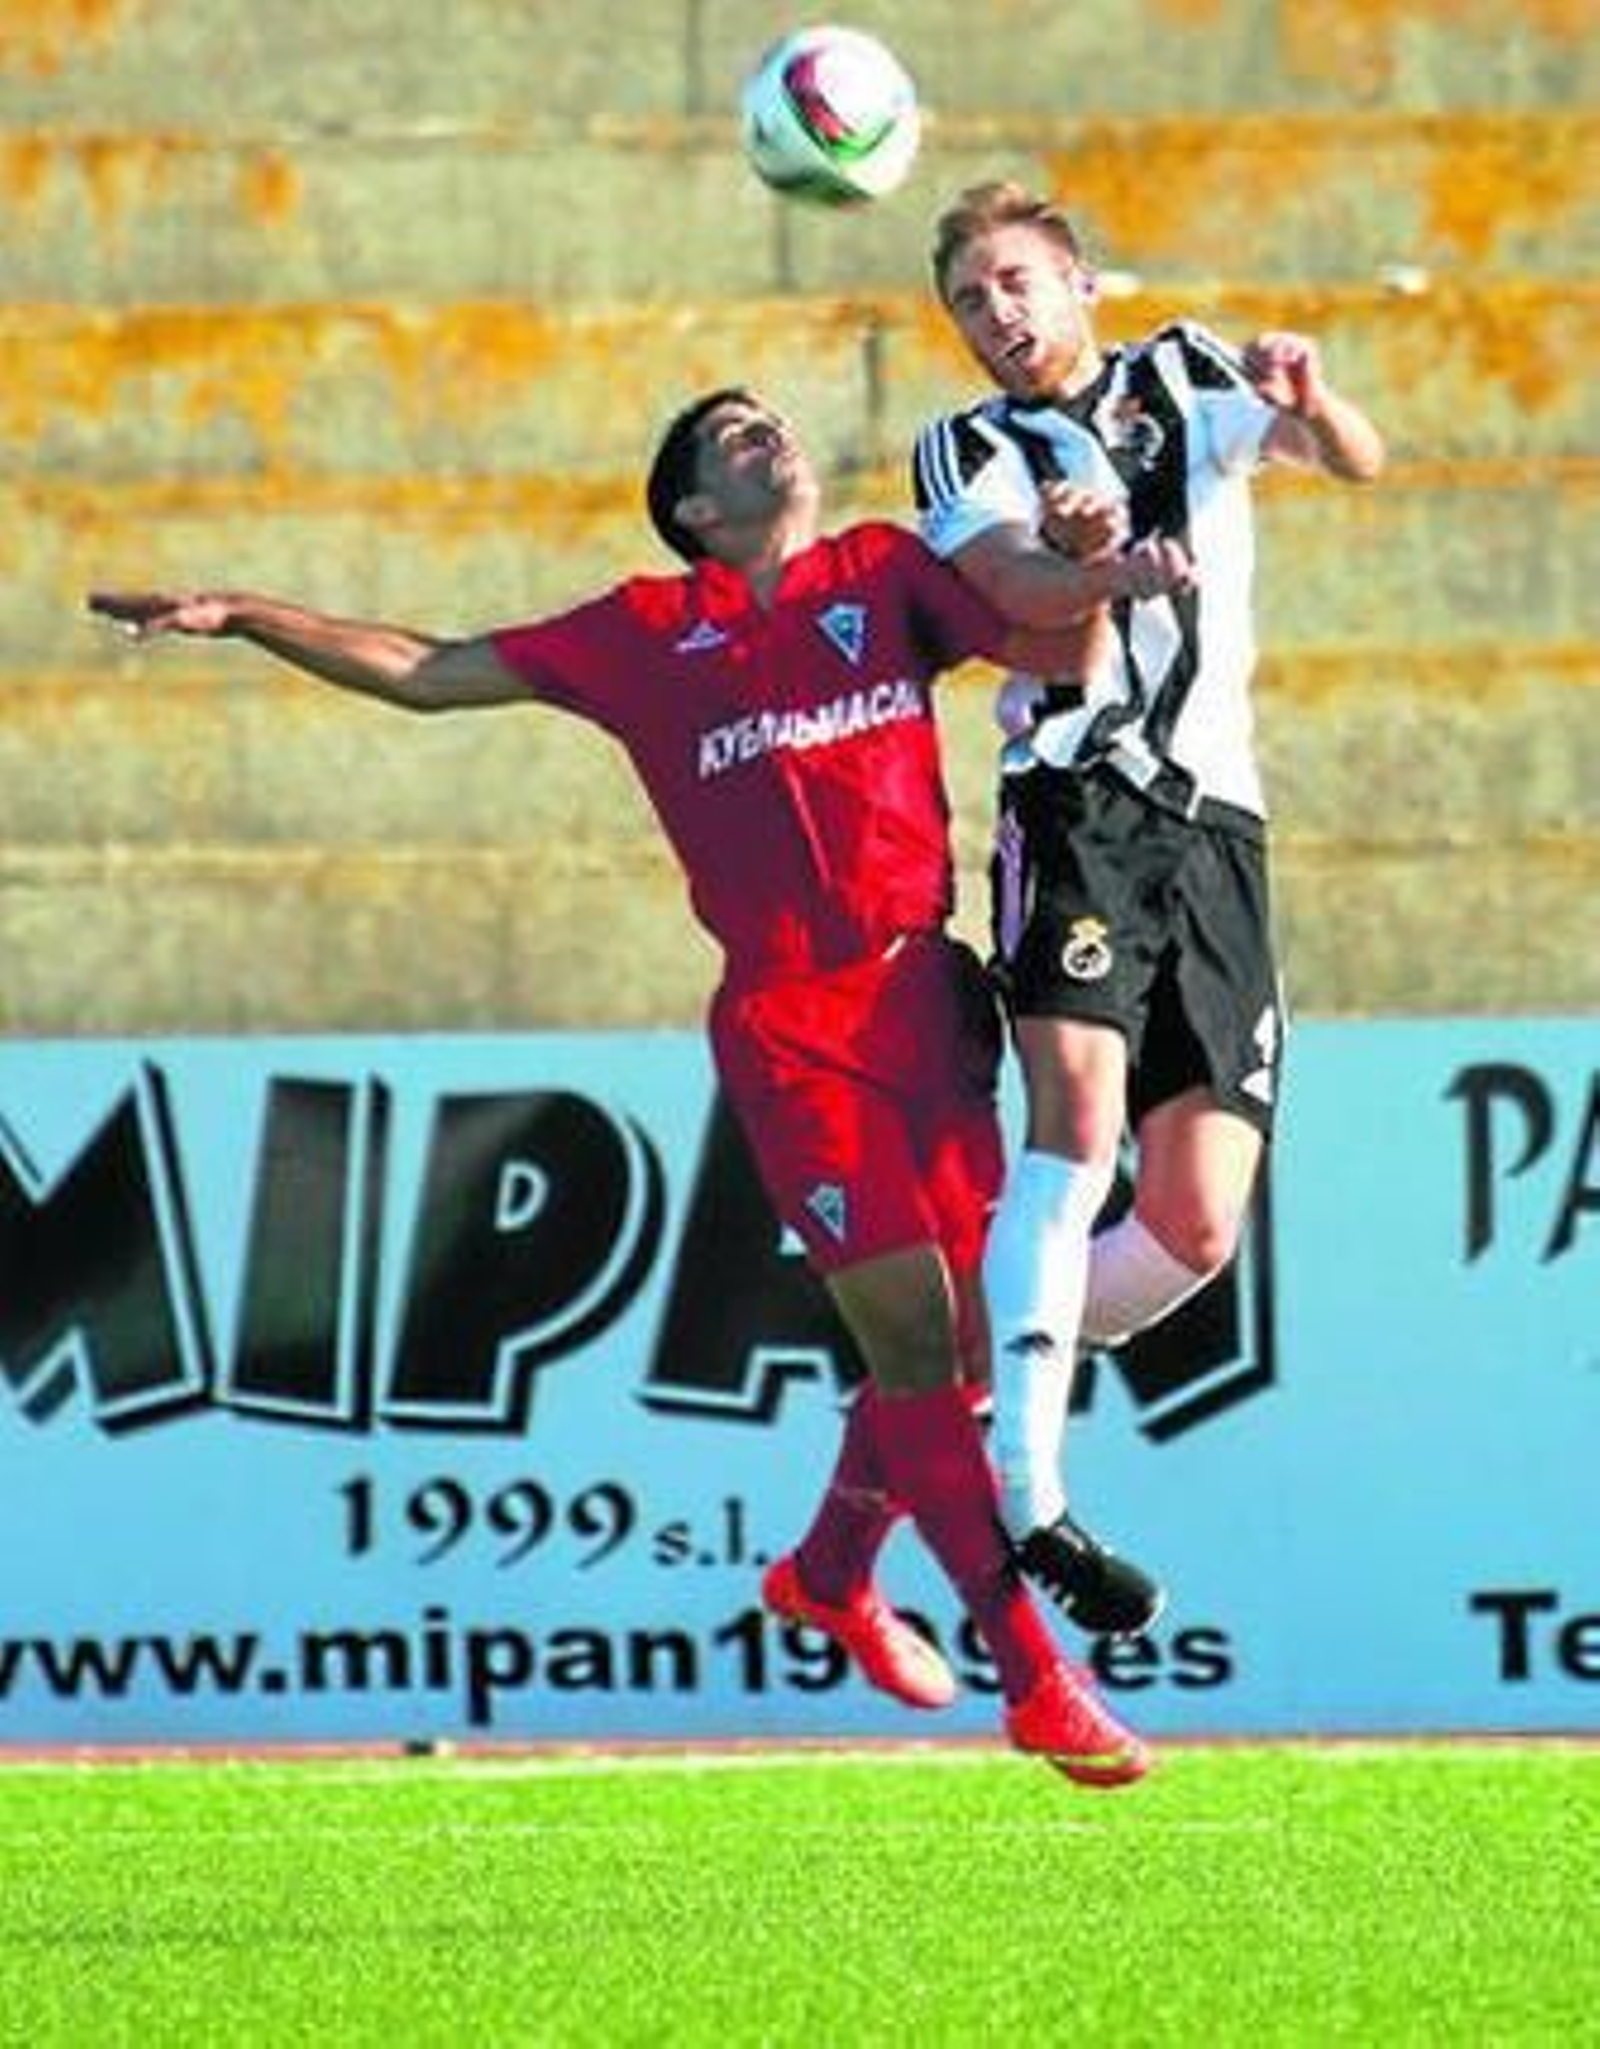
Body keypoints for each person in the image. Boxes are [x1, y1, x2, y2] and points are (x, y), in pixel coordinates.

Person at [89, 387, 1194, 1786]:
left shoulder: (881, 567)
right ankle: (1035, 1679)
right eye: (735, 437)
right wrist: (246, 610)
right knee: (916, 1341)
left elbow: (1056, 637)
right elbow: (429, 669)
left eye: (769, 420)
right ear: (693, 512)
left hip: (928, 990)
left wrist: (1097, 562)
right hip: (795, 1024)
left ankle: (829, 1572)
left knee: (972, 1344)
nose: (769, 434)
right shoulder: (641, 633)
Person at [913, 181, 1385, 1628]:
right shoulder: (965, 444)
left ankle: (984, 1363)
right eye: (971, 299)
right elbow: (1010, 586)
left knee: (1192, 1228)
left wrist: (1312, 397)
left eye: (1015, 283)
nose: (998, 315)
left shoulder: (1184, 367)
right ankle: (1026, 1494)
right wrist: (1092, 562)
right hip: (1078, 800)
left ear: (1081, 285)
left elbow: (1353, 460)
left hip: (1220, 824)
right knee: (1076, 1127)